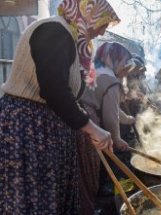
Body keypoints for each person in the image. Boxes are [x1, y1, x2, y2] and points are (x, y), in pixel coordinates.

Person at [0, 0, 120, 214]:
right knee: (35, 202)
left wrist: (85, 124)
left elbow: (68, 95)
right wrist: (93, 128)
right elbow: (54, 90)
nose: (102, 32)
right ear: (89, 14)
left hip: (46, 130)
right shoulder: (54, 30)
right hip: (29, 129)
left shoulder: (70, 38)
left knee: (51, 200)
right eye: (103, 23)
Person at [79, 42, 136, 214]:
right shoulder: (111, 81)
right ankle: (96, 206)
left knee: (81, 175)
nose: (126, 71)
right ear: (114, 60)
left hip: (80, 122)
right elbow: (110, 116)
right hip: (91, 128)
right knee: (92, 174)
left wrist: (127, 119)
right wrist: (117, 139)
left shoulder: (95, 72)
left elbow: (110, 106)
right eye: (124, 65)